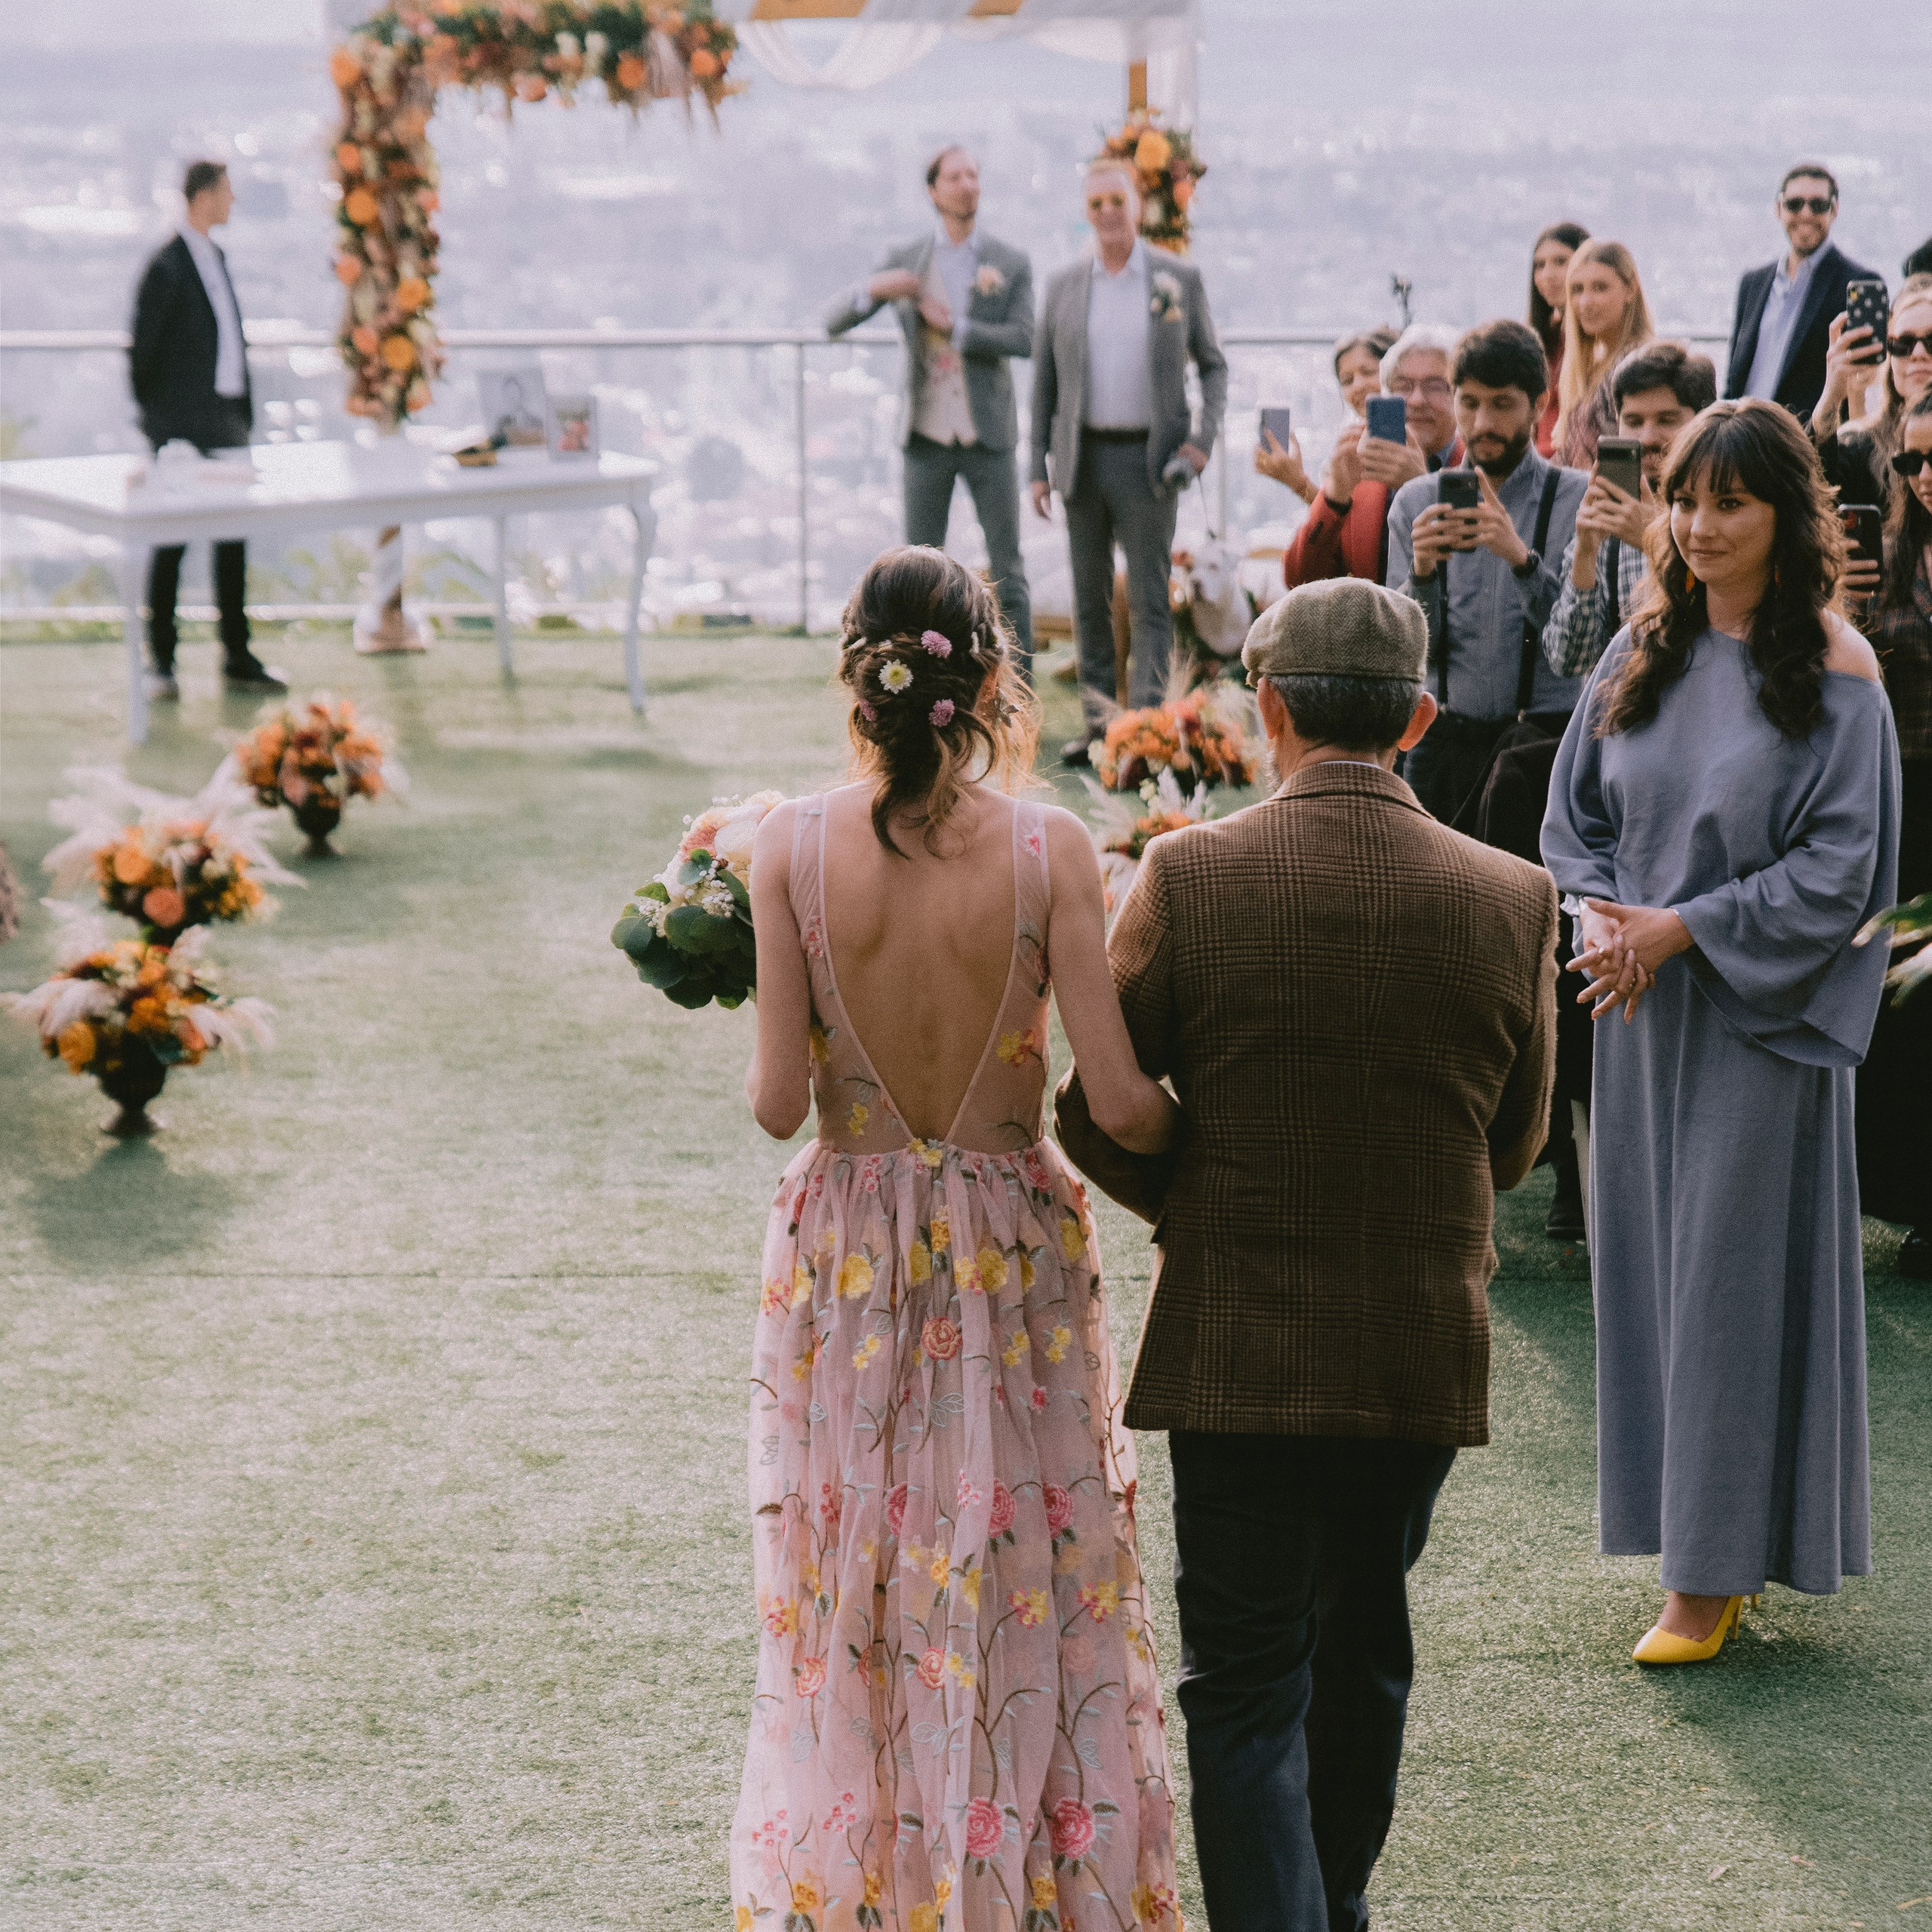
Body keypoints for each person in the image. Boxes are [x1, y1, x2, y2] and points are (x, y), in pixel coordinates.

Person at [1056, 575, 1556, 1932]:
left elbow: (1093, 1107)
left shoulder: (1191, 873)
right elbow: (1512, 1152)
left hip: (1236, 1344)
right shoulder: (1514, 896)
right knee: (1364, 1656)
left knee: (1244, 1681)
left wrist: (1198, 1198)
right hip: (1416, 1344)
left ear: (1265, 707)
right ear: (1420, 716)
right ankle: (1332, 1907)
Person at [734, 546, 1180, 1930]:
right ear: (991, 681)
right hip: (1010, 1240)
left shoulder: (785, 847)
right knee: (1020, 1555)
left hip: (851, 1243)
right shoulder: (1053, 850)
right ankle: (1027, 1876)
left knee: (864, 1557)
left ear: (858, 681)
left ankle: (878, 1881)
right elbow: (1115, 1105)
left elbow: (775, 1105)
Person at [1542, 400, 1900, 1663]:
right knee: (1650, 1282)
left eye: (1727, 502)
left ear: (1785, 515)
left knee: (1727, 1288)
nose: (1695, 525)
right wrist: (1596, 917)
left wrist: (1679, 928)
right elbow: (1574, 819)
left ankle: (1709, 1576)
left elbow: (1846, 876)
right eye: (1681, 496)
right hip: (1635, 1013)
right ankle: (1696, 1544)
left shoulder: (1842, 674)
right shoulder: (1637, 649)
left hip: (1760, 1018)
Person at [1031, 158, 1227, 763]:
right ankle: (1098, 726)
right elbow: (1045, 381)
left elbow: (1213, 365)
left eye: (1117, 200)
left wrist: (1201, 442)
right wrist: (1037, 467)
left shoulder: (1175, 278)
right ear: (1085, 213)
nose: (1109, 213)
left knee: (1148, 599)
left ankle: (1142, 728)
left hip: (1150, 460)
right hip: (1082, 459)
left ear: (1136, 205)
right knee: (1089, 600)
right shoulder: (1065, 284)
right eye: (1096, 205)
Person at [826, 147, 1038, 674]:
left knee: (1008, 569)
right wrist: (875, 288)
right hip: (925, 435)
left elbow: (1024, 338)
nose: (966, 184)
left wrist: (959, 329)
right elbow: (832, 322)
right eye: (954, 176)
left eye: (973, 174)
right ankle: (917, 682)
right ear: (933, 190)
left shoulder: (1010, 262)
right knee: (917, 571)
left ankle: (1018, 686)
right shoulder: (909, 257)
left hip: (988, 434)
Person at [1386, 319, 1587, 824]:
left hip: (1541, 744)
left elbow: (1580, 647)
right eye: (1469, 402)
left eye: (1501, 404)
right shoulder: (1415, 503)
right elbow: (1402, 652)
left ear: (1539, 406)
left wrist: (1521, 559)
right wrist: (1425, 574)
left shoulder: (1575, 499)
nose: (1481, 424)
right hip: (1442, 745)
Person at [128, 159, 283, 699]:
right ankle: (162, 661)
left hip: (225, 421)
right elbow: (143, 357)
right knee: (171, 541)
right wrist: (165, 429)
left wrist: (238, 412)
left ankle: (236, 655)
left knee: (232, 539)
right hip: (183, 432)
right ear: (203, 197)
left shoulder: (215, 257)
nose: (233, 201)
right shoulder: (167, 266)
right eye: (227, 192)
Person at [1854, 386, 1932, 1277]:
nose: (1923, 473)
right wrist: (1847, 604)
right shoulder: (1882, 551)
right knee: (1910, 1013)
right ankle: (1917, 1206)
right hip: (1912, 802)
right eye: (1909, 460)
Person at [1543, 340, 1718, 678]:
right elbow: (1568, 661)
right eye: (1634, 421)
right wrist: (1584, 553)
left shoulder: (1724, 512)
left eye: (1667, 419)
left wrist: (1659, 541)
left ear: (1703, 421)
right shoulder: (1606, 516)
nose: (1648, 437)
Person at [1275, 323, 1465, 591]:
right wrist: (1334, 499)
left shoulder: (1477, 467)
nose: (1417, 400)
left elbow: (1477, 580)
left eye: (1435, 386)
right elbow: (1300, 579)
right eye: (1403, 386)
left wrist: (1421, 487)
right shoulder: (1363, 474)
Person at [1726, 162, 1881, 423]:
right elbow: (1735, 373)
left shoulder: (1856, 284)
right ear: (1779, 209)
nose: (1806, 214)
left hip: (1804, 445)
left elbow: (1862, 381)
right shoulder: (1753, 283)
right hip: (1743, 442)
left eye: (1818, 205)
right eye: (1794, 204)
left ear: (1834, 210)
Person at [1810, 274, 1932, 515]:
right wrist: (1830, 399)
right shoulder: (1860, 445)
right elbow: (1813, 498)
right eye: (1903, 344)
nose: (1918, 354)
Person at [1254, 324, 1395, 513]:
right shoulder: (1350, 445)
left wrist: (1299, 483)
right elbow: (1339, 521)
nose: (1358, 385)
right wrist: (1296, 481)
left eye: (1368, 372)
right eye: (1347, 381)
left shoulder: (1412, 438)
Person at [1554, 240, 1655, 469]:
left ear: (1630, 289)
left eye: (1600, 287)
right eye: (1577, 290)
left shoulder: (1639, 365)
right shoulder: (1595, 367)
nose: (1585, 302)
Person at [1528, 220, 1590, 457]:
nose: (1548, 275)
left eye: (1561, 262)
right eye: (1539, 265)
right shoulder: (1540, 339)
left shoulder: (1598, 343)